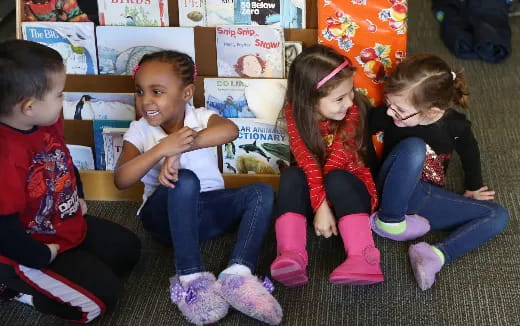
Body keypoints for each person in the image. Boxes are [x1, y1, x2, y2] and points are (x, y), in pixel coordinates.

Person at [114, 50, 282, 325]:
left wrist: (179, 149)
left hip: (209, 213)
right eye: (140, 92)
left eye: (157, 91)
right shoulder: (140, 130)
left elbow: (229, 130)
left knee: (261, 193)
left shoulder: (202, 117)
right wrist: (161, 150)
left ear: (187, 93)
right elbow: (121, 179)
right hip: (165, 220)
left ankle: (238, 274)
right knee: (186, 179)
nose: (146, 101)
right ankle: (190, 278)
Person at [0, 40, 141, 322]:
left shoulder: (44, 119)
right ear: (28, 107)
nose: (64, 100)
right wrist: (38, 256)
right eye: (59, 94)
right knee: (98, 303)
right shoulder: (6, 155)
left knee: (128, 251)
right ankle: (16, 289)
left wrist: (76, 193)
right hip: (25, 246)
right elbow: (3, 228)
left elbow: (61, 158)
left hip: (62, 222)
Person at [369, 53, 509, 290]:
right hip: (390, 187)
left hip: (423, 199)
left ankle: (435, 256)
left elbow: (470, 153)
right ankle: (389, 221)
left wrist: (473, 186)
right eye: (389, 103)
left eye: (399, 110)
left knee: (499, 215)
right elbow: (361, 136)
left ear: (432, 111)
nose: (391, 112)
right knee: (414, 148)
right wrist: (369, 180)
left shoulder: (455, 125)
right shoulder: (387, 114)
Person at [270, 44, 384, 287]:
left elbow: (334, 165)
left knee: (335, 178)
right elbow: (307, 161)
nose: (350, 102)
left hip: (352, 192)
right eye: (340, 98)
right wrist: (320, 205)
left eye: (350, 92)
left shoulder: (353, 112)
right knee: (291, 175)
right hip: (317, 193)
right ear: (310, 101)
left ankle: (365, 256)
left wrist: (322, 205)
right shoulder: (294, 114)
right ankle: (291, 255)